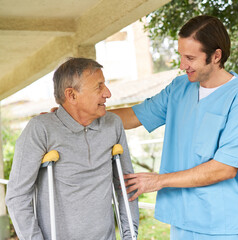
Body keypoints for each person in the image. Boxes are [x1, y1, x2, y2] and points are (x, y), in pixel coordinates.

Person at [111, 15, 238, 239]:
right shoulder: (179, 89)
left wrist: (158, 180)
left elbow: (225, 168)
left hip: (222, 225)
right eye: (181, 56)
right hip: (182, 222)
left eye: (190, 57)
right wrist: (79, 114)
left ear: (216, 56)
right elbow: (133, 116)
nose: (182, 65)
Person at [6, 58, 139, 240]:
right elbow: (17, 197)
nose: (107, 93)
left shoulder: (112, 124)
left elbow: (125, 185)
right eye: (99, 87)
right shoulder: (41, 129)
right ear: (71, 95)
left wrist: (130, 236)